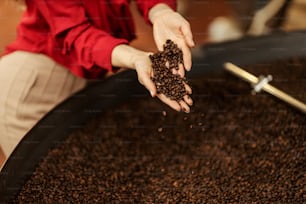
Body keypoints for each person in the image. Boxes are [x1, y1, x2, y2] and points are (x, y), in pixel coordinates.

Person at [0, 0, 194, 168]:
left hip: (78, 75)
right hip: (29, 91)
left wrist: (159, 11)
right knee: (42, 182)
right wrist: (134, 58)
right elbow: (77, 34)